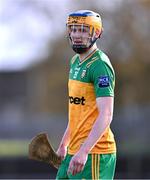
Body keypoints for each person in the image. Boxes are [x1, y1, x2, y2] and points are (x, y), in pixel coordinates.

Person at [56, 10, 116, 179]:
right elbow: (78, 111)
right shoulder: (74, 61)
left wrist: (84, 151)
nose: (76, 34)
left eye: (82, 30)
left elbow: (106, 113)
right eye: (73, 29)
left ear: (96, 32)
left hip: (94, 153)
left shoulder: (100, 66)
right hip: (73, 151)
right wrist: (64, 144)